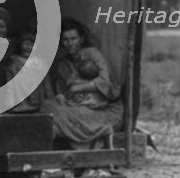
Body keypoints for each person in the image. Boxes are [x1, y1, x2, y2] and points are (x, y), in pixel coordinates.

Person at [41, 18, 123, 148]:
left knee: (58, 117)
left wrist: (78, 88)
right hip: (78, 106)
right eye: (65, 40)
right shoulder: (63, 65)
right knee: (47, 107)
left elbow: (105, 82)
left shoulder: (92, 54)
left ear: (81, 39)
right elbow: (62, 93)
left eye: (74, 38)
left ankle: (97, 134)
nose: (70, 43)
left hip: (105, 110)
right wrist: (72, 95)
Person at [4, 31, 54, 113]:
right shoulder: (14, 64)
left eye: (31, 44)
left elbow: (47, 84)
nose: (28, 47)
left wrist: (49, 99)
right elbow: (10, 85)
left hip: (39, 101)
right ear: (20, 45)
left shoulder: (40, 63)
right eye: (25, 44)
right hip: (20, 101)